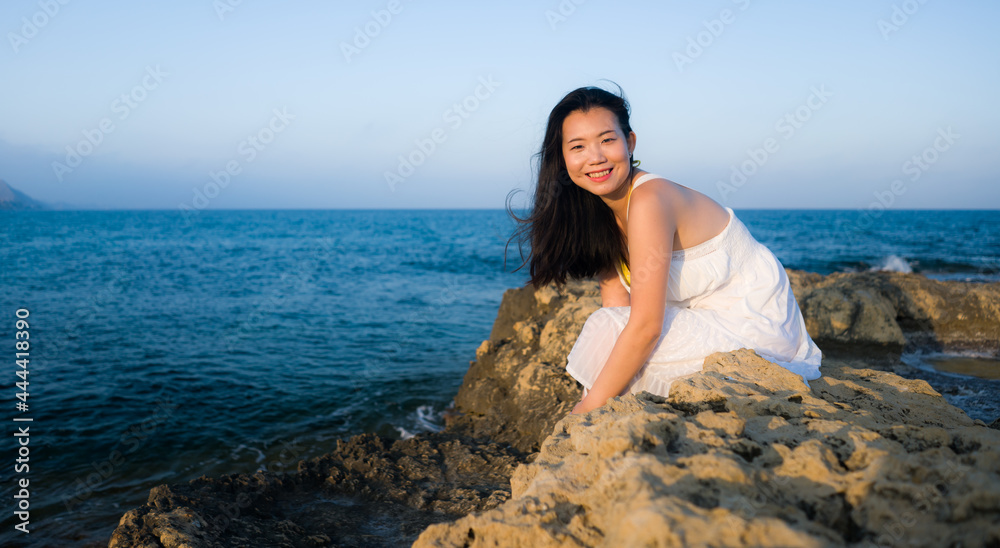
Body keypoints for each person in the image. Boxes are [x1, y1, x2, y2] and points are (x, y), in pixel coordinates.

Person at [506, 84, 822, 415]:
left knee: (606, 331)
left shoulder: (650, 200)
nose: (595, 157)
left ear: (629, 143)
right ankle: (604, 417)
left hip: (757, 333)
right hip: (706, 322)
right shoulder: (598, 216)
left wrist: (586, 409)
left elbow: (645, 326)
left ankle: (589, 416)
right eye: (578, 146)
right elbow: (619, 308)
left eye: (607, 140)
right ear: (562, 158)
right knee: (610, 329)